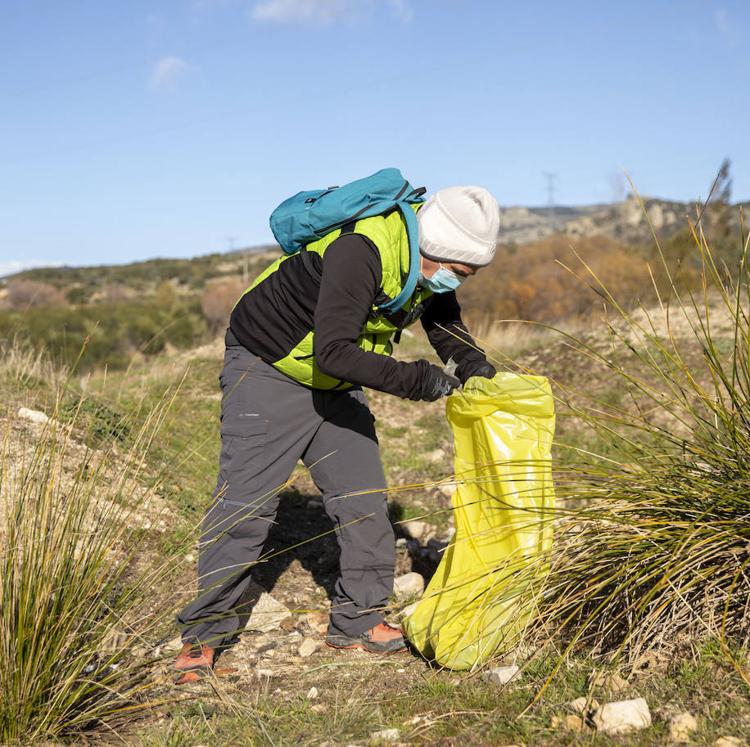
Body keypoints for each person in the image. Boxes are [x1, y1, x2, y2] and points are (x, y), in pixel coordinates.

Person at [174, 184, 500, 682]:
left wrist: (475, 368)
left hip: (334, 373)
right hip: (268, 364)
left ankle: (359, 619)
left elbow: (442, 318)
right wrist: (419, 380)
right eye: (457, 274)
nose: (456, 284)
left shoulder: (426, 261)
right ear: (434, 251)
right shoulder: (361, 251)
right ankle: (204, 634)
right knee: (246, 506)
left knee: (363, 498)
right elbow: (335, 352)